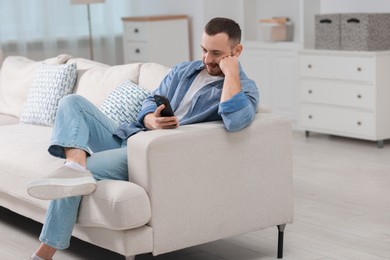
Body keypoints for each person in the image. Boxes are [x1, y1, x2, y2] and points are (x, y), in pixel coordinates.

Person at [27, 17, 259, 260]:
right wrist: (150, 119)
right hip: (131, 136)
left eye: (216, 53)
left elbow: (235, 121)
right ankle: (75, 165)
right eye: (203, 50)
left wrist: (231, 73)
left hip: (151, 155)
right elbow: (151, 99)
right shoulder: (184, 70)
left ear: (237, 51)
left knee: (74, 177)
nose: (207, 59)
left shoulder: (246, 88)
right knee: (71, 102)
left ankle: (44, 253)